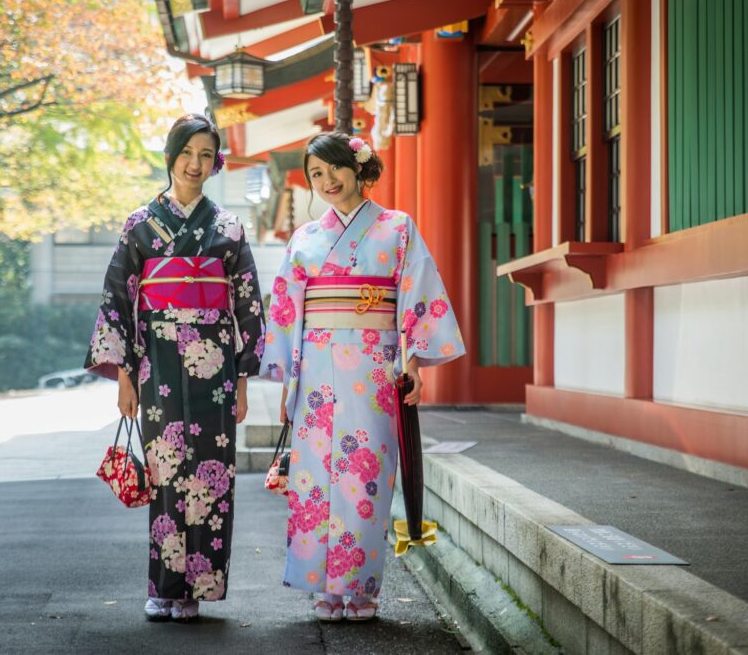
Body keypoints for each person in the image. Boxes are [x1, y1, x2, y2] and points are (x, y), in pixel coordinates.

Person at [260, 131, 465, 621]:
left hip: (375, 369)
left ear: (358, 169)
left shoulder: (397, 228)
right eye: (316, 174)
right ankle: (323, 587)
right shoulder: (306, 237)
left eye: (334, 169)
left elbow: (417, 290)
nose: (327, 181)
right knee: (315, 480)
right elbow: (288, 309)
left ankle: (362, 587)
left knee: (366, 476)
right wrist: (289, 375)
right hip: (315, 370)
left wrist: (413, 361)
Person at [85, 113, 265, 622]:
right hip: (157, 360)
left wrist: (245, 377)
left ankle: (198, 588)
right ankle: (164, 586)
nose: (195, 164)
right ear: (171, 156)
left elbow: (248, 302)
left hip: (217, 362)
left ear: (216, 163)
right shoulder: (140, 224)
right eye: (188, 153)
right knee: (165, 469)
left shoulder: (229, 227)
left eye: (206, 155)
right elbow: (118, 300)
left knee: (213, 474)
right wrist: (124, 377)